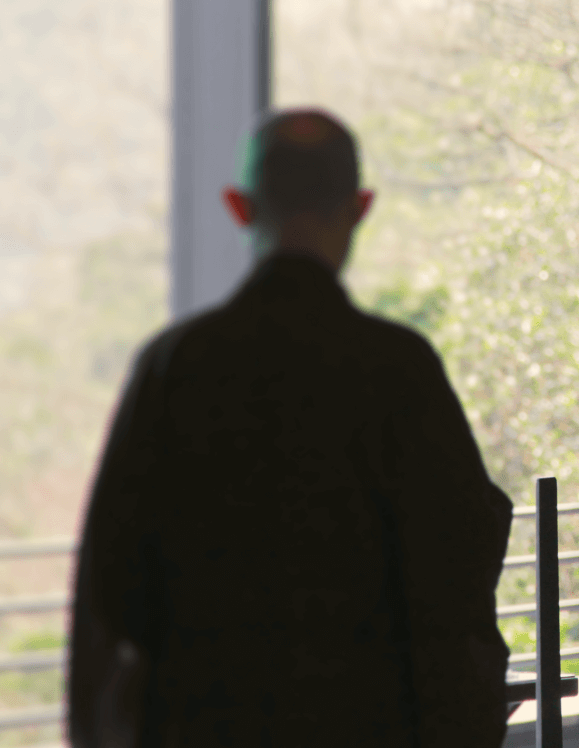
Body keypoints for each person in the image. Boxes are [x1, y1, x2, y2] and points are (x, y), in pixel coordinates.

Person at [68, 108, 513, 748]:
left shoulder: (174, 368)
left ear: (239, 207)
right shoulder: (398, 370)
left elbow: (110, 598)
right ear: (360, 207)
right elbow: (453, 577)